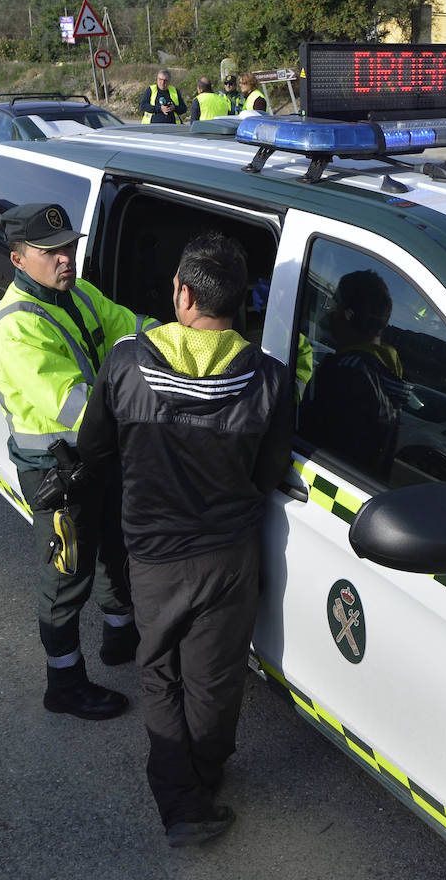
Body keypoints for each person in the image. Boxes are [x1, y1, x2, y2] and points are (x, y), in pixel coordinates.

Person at [77, 231, 292, 848]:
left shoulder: (125, 361)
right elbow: (269, 471)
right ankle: (204, 775)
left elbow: (95, 450)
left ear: (183, 292)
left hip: (152, 555)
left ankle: (180, 801)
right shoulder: (270, 378)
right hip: (228, 556)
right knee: (215, 676)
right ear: (239, 300)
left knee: (159, 671)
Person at [0, 203, 149, 721]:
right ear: (17, 258)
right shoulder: (16, 329)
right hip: (57, 474)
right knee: (65, 578)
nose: (66, 258)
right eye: (50, 251)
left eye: (69, 246)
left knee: (110, 546)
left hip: (95, 460)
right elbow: (79, 408)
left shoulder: (77, 294)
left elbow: (133, 328)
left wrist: (189, 340)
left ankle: (121, 639)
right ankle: (65, 683)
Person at [298, 269, 409, 481]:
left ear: (349, 315)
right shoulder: (386, 368)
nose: (329, 311)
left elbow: (308, 435)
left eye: (335, 303)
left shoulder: (343, 374)